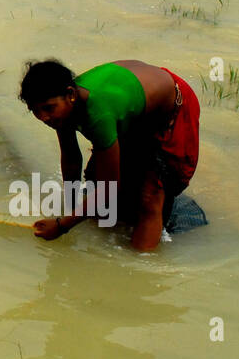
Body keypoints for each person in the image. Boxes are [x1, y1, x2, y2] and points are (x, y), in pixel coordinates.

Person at [18, 59, 199, 251]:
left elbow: (109, 188)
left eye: (48, 108)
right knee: (98, 181)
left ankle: (139, 266)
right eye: (35, 111)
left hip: (170, 108)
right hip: (134, 104)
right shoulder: (64, 109)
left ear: (70, 94)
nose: (43, 117)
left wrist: (62, 226)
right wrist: (71, 209)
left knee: (150, 196)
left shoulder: (99, 114)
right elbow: (71, 158)